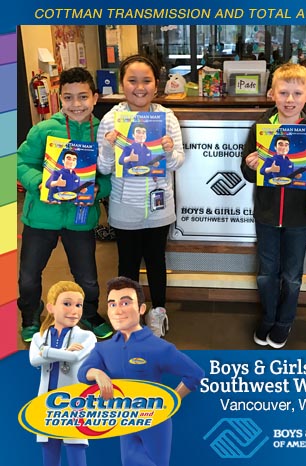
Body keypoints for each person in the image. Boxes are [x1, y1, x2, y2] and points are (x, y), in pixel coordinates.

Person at [17, 67, 113, 342]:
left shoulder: (103, 133)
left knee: (87, 277)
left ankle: (89, 313)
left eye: (83, 97)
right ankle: (30, 315)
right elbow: (21, 162)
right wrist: (39, 183)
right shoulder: (45, 129)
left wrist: (99, 188)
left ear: (95, 98)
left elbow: (110, 173)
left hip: (80, 218)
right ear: (60, 98)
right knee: (29, 276)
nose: (76, 104)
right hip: (41, 216)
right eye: (68, 98)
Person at [241, 63, 306, 349]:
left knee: (292, 276)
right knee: (267, 273)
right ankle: (268, 317)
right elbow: (248, 174)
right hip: (266, 214)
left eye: (297, 93)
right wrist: (251, 165)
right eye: (283, 93)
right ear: (272, 94)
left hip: (298, 217)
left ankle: (284, 321)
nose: (290, 100)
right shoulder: (261, 128)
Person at [97, 55, 185, 338]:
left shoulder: (166, 117)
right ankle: (128, 315)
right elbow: (104, 168)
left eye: (146, 80)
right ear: (122, 83)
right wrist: (109, 147)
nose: (139, 87)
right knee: (127, 264)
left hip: (159, 205)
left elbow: (177, 162)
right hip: (125, 206)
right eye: (132, 80)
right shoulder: (111, 120)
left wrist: (169, 150)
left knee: (157, 261)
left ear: (156, 85)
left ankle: (158, 312)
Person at [78, 276, 204, 466]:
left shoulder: (159, 348)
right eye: (112, 304)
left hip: (155, 423)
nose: (118, 310)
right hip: (125, 421)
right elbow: (83, 373)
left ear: (141, 308)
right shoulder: (103, 348)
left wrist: (169, 402)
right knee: (128, 461)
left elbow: (195, 374)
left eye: (125, 303)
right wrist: (97, 373)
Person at [29, 281, 97, 466]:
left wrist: (46, 352)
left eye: (79, 305)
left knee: (76, 449)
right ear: (51, 307)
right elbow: (34, 360)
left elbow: (75, 357)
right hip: (46, 402)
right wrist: (64, 352)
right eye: (67, 304)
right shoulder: (38, 337)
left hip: (73, 402)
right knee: (49, 451)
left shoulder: (87, 336)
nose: (74, 311)